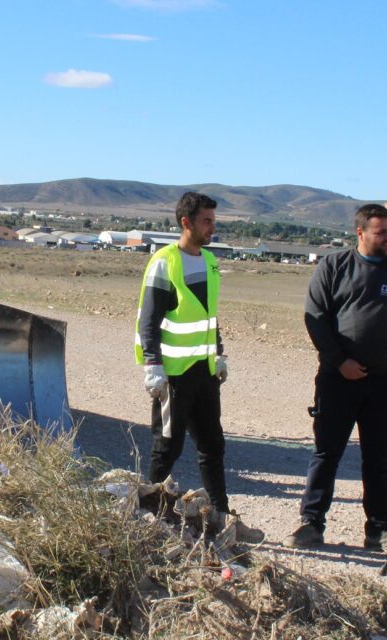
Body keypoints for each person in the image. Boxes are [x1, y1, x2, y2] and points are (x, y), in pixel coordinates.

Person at [284, 204, 387, 554]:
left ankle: (379, 530)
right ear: (360, 232)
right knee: (326, 452)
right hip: (337, 380)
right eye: (381, 233)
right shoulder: (334, 267)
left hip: (386, 385)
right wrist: (340, 361)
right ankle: (311, 523)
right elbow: (316, 319)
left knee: (378, 460)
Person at [135, 192, 262, 543]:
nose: (212, 227)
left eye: (213, 221)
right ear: (186, 222)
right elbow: (149, 319)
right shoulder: (165, 262)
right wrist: (152, 365)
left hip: (203, 372)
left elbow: (208, 315)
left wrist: (218, 353)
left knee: (213, 446)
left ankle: (222, 518)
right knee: (167, 448)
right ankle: (150, 518)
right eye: (207, 221)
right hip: (173, 375)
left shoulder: (209, 261)